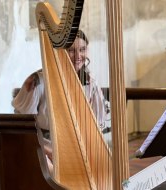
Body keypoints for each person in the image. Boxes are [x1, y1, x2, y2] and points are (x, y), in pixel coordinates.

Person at [12, 30, 110, 172]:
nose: (78, 56)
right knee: (54, 172)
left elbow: (97, 125)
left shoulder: (89, 83)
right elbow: (23, 128)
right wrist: (47, 150)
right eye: (71, 50)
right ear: (58, 52)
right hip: (41, 147)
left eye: (82, 50)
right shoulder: (37, 81)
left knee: (103, 168)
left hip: (77, 147)